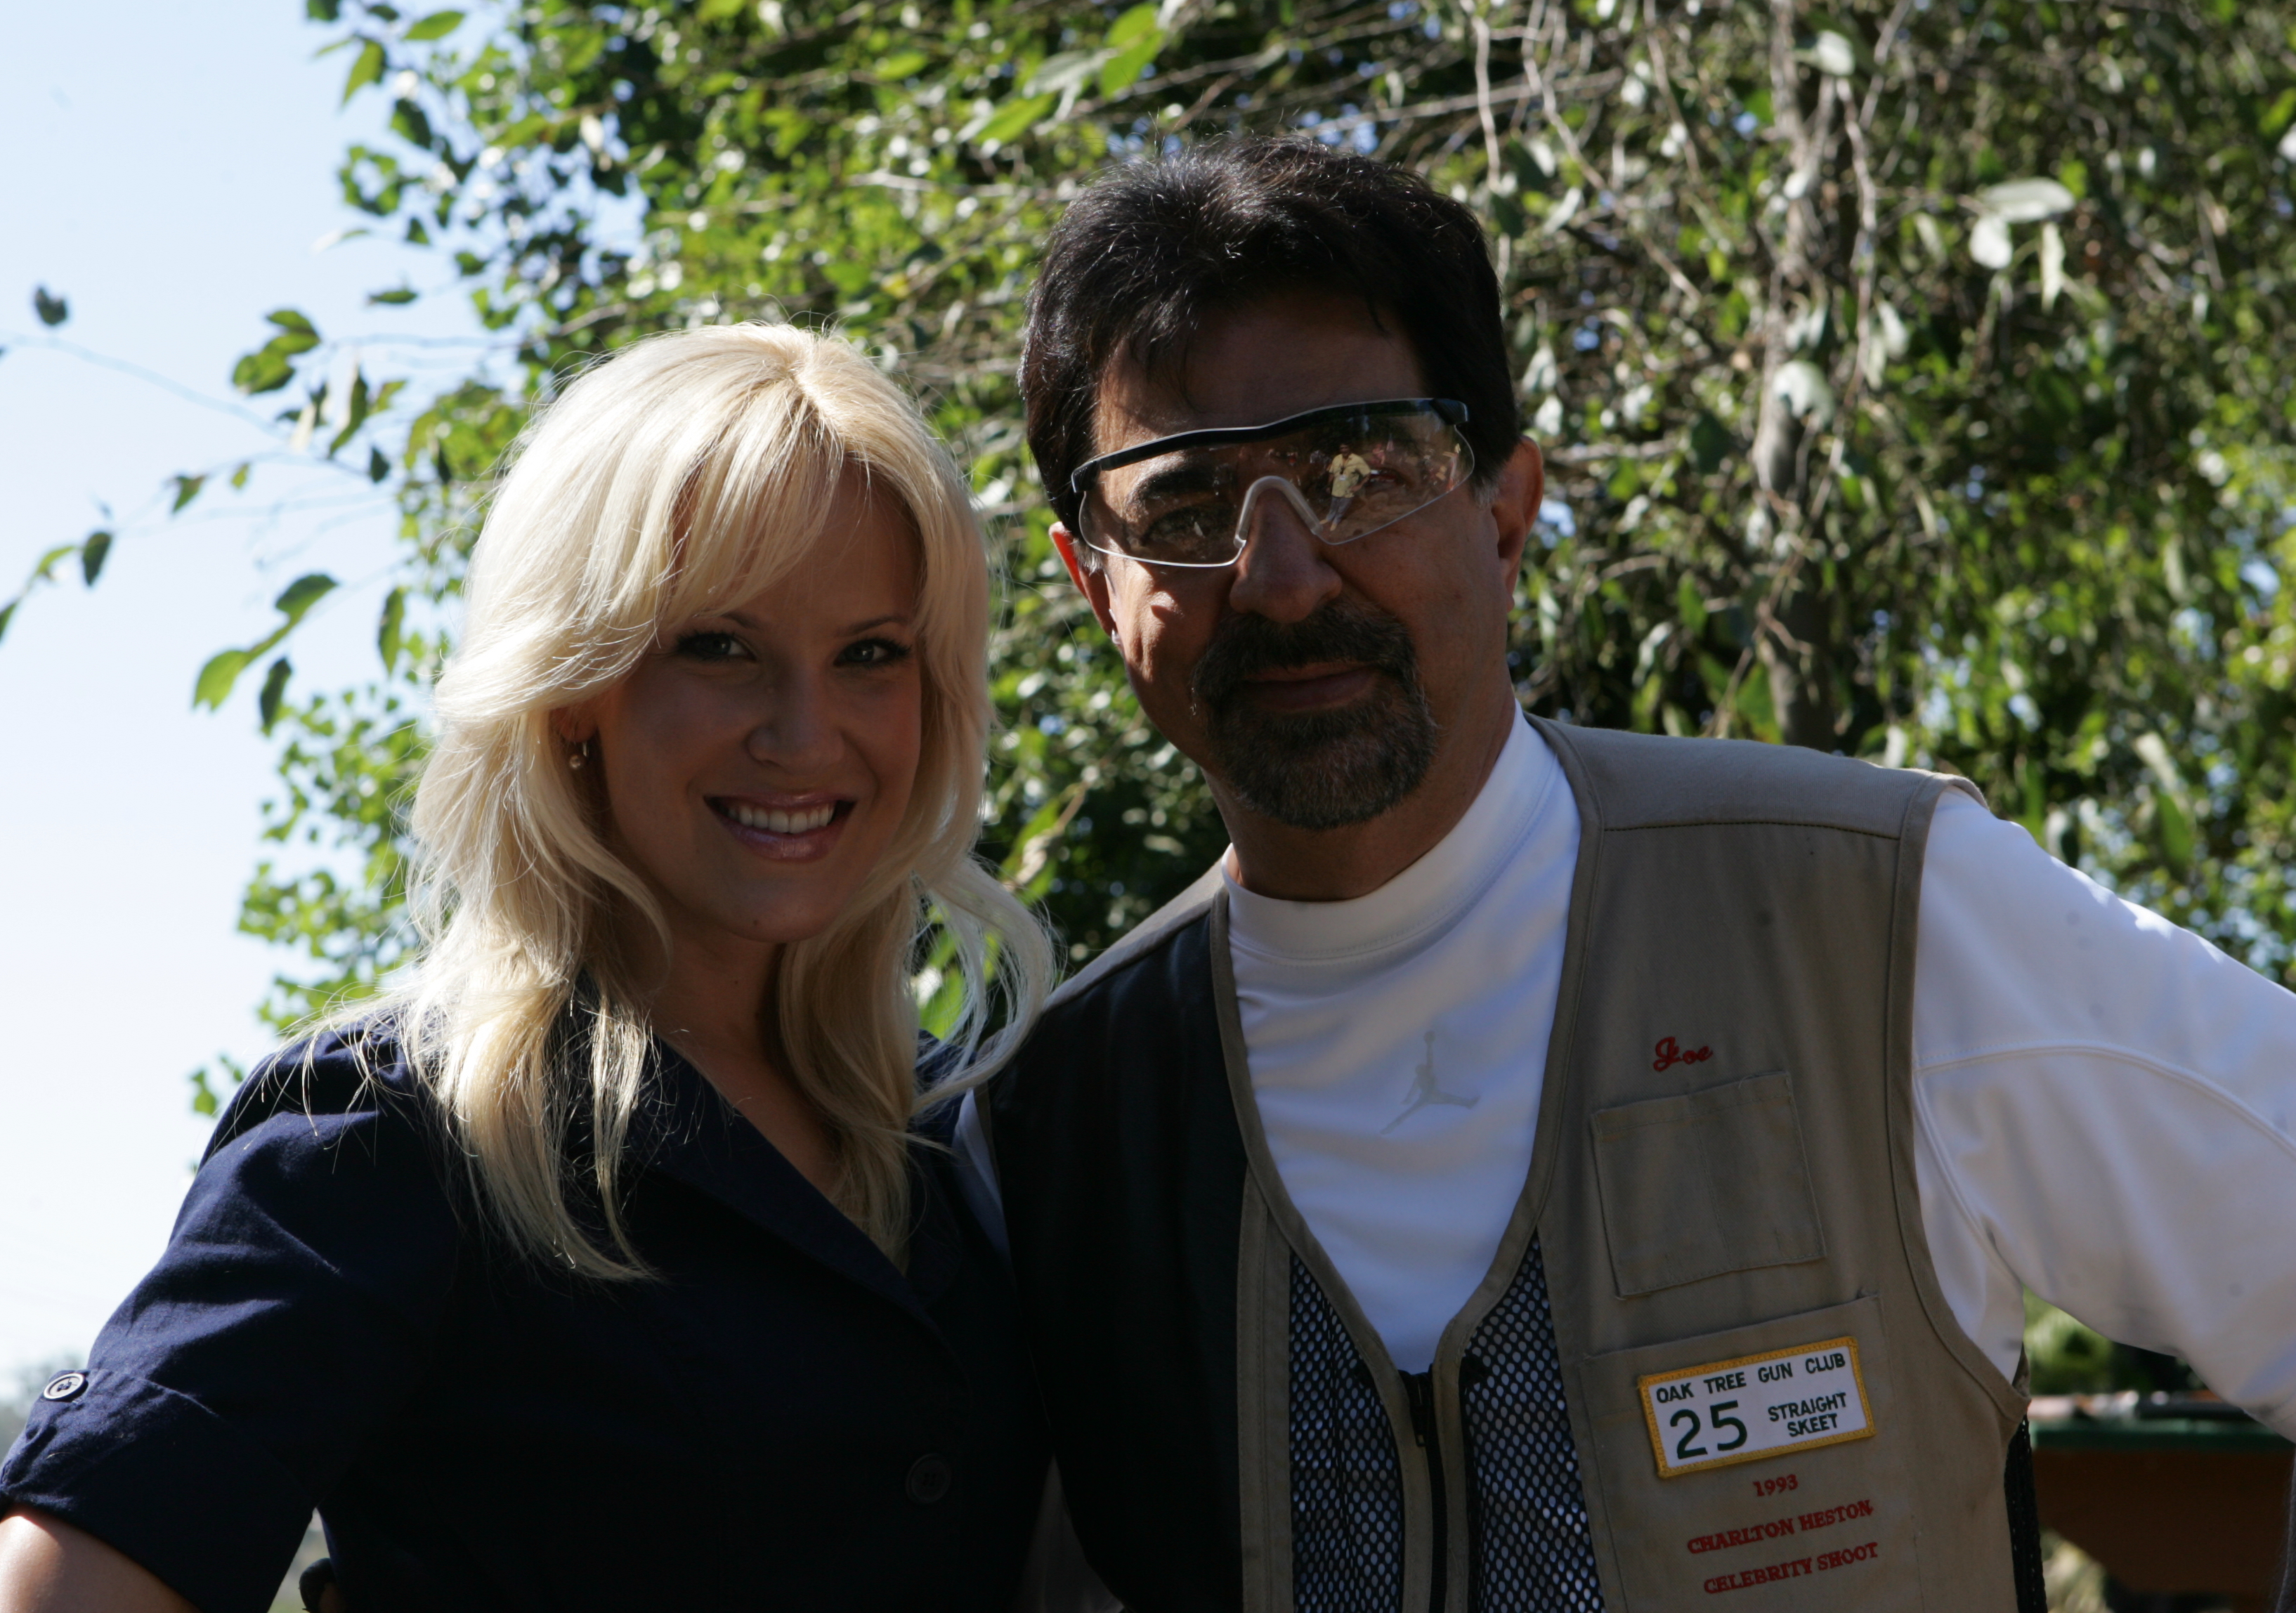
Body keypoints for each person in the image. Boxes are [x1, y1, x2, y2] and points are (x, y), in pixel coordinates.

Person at [963, 137, 2296, 1611]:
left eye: (1362, 469)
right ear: (1096, 581)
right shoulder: (1052, 1126)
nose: (1286, 576)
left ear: (1506, 508)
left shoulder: (1880, 918)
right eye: (1191, 505)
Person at [0, 323, 1055, 1613]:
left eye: (869, 654)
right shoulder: (399, 1134)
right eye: (719, 645)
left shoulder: (960, 1138)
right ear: (573, 692)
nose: (804, 733)